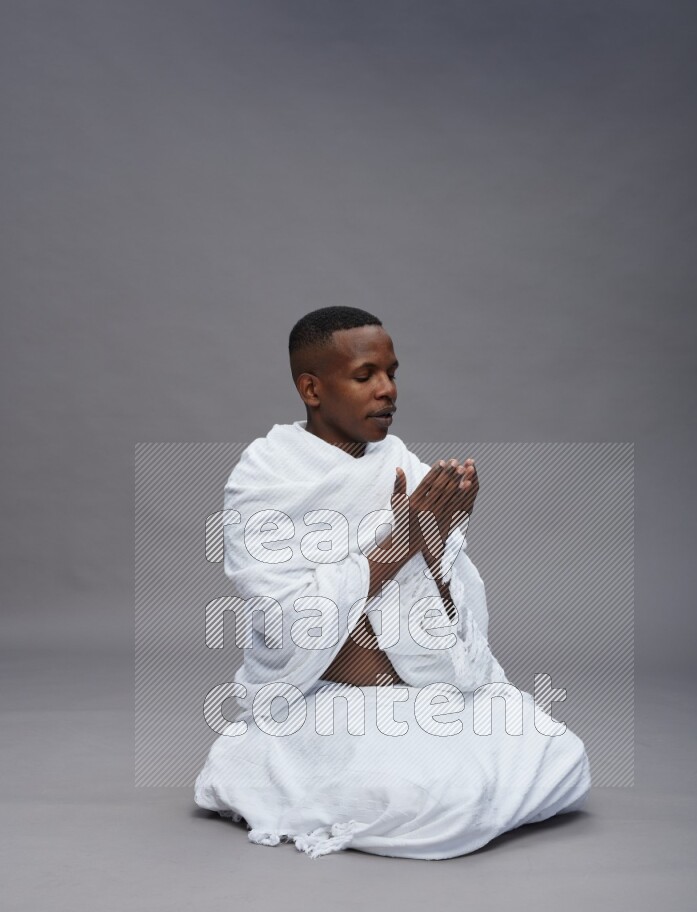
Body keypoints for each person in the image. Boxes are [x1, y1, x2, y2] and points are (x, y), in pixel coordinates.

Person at [194, 305, 591, 858]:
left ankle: (442, 768)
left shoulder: (402, 464)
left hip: (423, 689)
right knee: (439, 799)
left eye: (392, 373)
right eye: (365, 376)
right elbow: (286, 628)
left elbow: (455, 618)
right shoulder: (266, 480)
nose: (387, 390)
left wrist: (437, 539)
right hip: (325, 698)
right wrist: (396, 544)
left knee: (561, 755)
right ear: (312, 388)